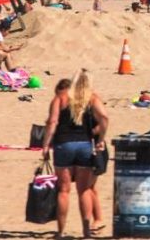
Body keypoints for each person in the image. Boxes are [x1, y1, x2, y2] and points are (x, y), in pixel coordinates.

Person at [42, 70, 110, 238]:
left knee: (64, 191)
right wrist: (101, 138)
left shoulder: (61, 98)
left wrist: (45, 145)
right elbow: (104, 117)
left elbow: (52, 122)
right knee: (85, 190)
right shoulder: (91, 98)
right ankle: (86, 232)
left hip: (64, 145)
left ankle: (60, 232)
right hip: (85, 145)